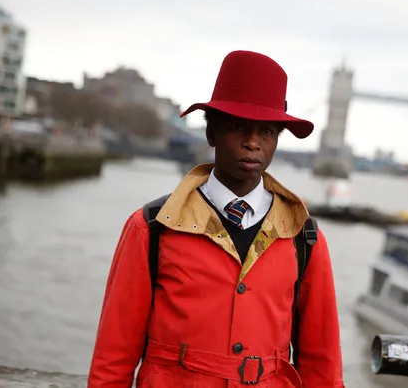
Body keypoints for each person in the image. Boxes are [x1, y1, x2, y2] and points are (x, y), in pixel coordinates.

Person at [88, 50, 346, 387]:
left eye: (267, 131)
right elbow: (114, 356)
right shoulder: (152, 228)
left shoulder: (303, 236)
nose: (252, 143)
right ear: (211, 133)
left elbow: (323, 364)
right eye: (238, 127)